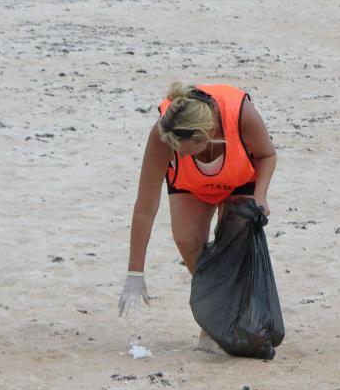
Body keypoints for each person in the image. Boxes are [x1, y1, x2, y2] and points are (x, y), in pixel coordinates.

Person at [118, 83, 277, 327]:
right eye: (175, 150)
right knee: (187, 240)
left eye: (184, 151)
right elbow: (145, 208)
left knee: (234, 246)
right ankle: (217, 315)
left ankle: (238, 314)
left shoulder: (242, 115)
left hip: (239, 178)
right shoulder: (165, 133)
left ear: (208, 133)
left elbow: (267, 155)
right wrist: (134, 274)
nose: (179, 157)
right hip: (191, 185)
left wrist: (261, 194)